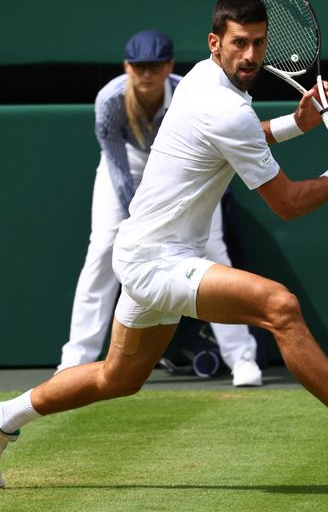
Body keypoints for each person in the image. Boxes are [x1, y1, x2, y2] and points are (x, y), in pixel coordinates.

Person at [0, 0, 328, 489]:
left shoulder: (203, 79)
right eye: (239, 43)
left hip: (144, 253)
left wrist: (298, 123)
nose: (251, 55)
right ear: (215, 42)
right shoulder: (224, 105)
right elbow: (286, 202)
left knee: (117, 378)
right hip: (156, 260)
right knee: (279, 306)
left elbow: (242, 135)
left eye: (260, 43)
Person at [57, 29, 262, 387]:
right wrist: (139, 223)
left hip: (183, 168)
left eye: (154, 66)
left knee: (214, 251)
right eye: (139, 66)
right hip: (129, 166)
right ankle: (75, 361)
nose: (146, 74)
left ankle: (242, 358)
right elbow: (119, 169)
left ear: (168, 66)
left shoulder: (190, 92)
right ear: (127, 66)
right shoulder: (109, 101)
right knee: (102, 249)